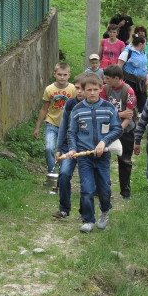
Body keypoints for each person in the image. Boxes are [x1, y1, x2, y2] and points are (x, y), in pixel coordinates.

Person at [65, 73, 122, 233]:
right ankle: (88, 219)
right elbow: (71, 132)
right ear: (82, 90)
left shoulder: (109, 108)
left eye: (95, 89)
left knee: (104, 190)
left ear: (101, 89)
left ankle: (104, 211)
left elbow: (117, 129)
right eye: (88, 89)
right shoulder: (77, 110)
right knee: (87, 189)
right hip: (84, 157)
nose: (92, 93)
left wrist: (104, 142)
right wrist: (72, 148)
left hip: (103, 156)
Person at [101, 65, 137, 200]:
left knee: (125, 160)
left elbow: (129, 116)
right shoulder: (105, 89)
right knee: (103, 158)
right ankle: (103, 188)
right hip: (108, 129)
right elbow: (104, 111)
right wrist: (120, 113)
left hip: (125, 130)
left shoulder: (129, 91)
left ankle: (125, 191)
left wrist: (118, 130)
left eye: (108, 78)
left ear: (117, 78)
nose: (105, 80)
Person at [52, 76, 85, 219]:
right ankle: (64, 208)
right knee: (64, 174)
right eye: (76, 88)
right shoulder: (70, 105)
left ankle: (85, 211)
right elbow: (63, 127)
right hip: (67, 146)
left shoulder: (94, 105)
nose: (79, 91)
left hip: (85, 147)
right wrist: (59, 148)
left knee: (86, 180)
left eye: (82, 88)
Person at [34, 62, 74, 174]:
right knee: (49, 148)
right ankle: (52, 172)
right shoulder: (49, 89)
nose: (62, 77)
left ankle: (63, 172)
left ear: (69, 75)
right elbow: (44, 108)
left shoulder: (73, 89)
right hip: (51, 123)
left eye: (65, 75)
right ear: (54, 74)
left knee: (63, 150)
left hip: (67, 125)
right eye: (59, 74)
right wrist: (37, 127)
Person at [118, 35, 148, 112]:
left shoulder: (143, 52)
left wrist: (147, 79)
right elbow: (118, 67)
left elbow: (144, 67)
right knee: (130, 100)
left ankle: (140, 117)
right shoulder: (127, 52)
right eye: (145, 43)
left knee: (142, 100)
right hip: (129, 81)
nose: (146, 45)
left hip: (141, 83)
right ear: (140, 44)